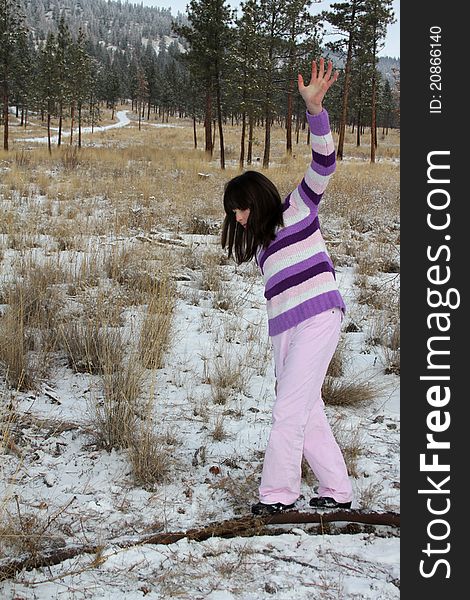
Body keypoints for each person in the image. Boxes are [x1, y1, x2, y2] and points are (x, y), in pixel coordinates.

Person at [221, 58, 353, 515]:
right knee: (303, 406)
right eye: (232, 212)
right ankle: (337, 491)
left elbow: (324, 163)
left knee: (287, 412)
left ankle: (277, 496)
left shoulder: (298, 208)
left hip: (319, 315)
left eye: (239, 208)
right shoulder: (260, 245)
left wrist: (315, 111)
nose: (237, 218)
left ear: (256, 198)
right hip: (284, 328)